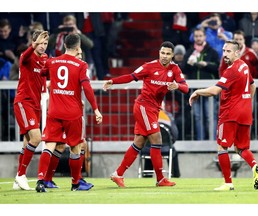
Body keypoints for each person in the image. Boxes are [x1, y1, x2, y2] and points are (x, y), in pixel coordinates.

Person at [103, 41, 189, 187]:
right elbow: (131, 76)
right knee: (157, 139)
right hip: (143, 106)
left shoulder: (175, 69)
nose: (165, 56)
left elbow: (186, 88)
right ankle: (161, 179)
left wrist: (177, 85)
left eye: (168, 54)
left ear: (172, 55)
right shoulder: (149, 66)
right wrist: (113, 81)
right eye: (163, 53)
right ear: (159, 53)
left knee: (139, 142)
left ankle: (118, 174)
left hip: (154, 109)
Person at [189, 40, 258, 191]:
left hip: (230, 113)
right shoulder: (244, 66)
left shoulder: (232, 70)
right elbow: (253, 86)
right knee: (241, 147)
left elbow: (214, 91)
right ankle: (255, 166)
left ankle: (228, 183)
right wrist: (247, 103)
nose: (225, 54)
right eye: (224, 51)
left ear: (237, 52)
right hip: (245, 113)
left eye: (228, 51)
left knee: (222, 146)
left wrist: (197, 91)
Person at [35, 33, 103, 192]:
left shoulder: (52, 62)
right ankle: (75, 183)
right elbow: (87, 88)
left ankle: (41, 180)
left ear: (64, 45)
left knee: (49, 145)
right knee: (76, 147)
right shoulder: (81, 65)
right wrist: (96, 109)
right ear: (78, 47)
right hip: (72, 113)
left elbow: (40, 74)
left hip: (54, 111)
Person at [12, 30, 49, 190]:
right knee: (36, 138)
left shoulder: (44, 59)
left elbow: (42, 81)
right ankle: (21, 174)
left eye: (45, 43)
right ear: (33, 43)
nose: (42, 46)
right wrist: (33, 44)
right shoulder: (26, 57)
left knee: (27, 142)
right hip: (24, 102)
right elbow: (26, 54)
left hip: (36, 104)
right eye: (40, 43)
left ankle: (18, 181)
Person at [182, 27, 219, 140]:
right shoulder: (189, 52)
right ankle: (200, 141)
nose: (198, 38)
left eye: (200, 36)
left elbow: (217, 67)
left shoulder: (212, 51)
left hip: (209, 90)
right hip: (195, 90)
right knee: (197, 117)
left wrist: (206, 64)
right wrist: (189, 63)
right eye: (196, 36)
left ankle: (213, 141)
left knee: (210, 116)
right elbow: (183, 68)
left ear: (204, 37)